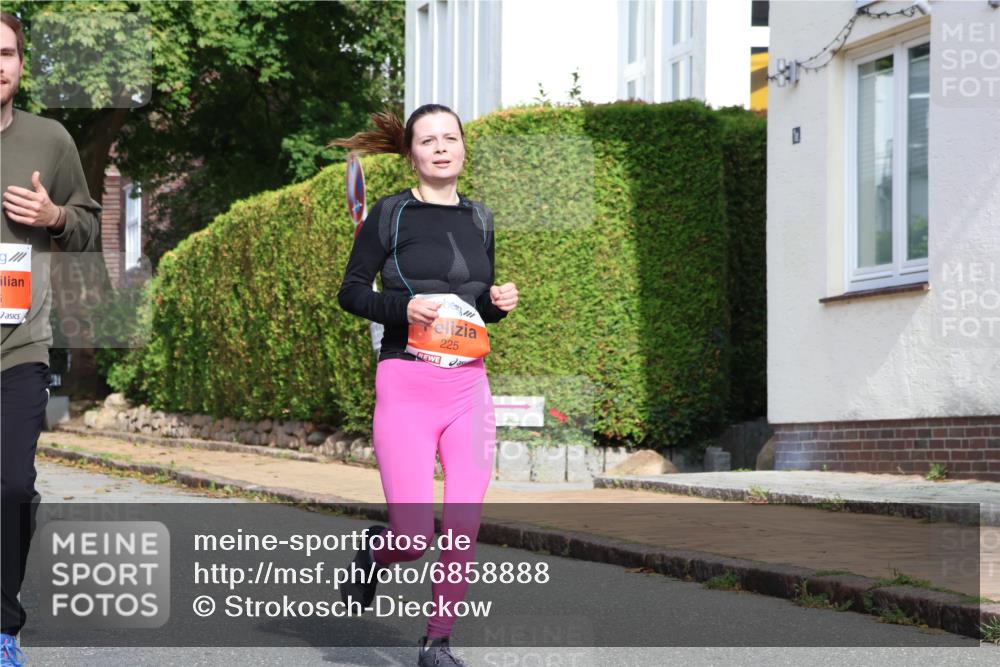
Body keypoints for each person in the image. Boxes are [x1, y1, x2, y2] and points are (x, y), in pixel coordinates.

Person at [334, 104, 518, 667]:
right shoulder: (389, 214)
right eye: (427, 140)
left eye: (450, 138)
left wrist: (497, 305)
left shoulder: (480, 218)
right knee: (412, 537)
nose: (440, 148)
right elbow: (350, 292)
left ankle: (437, 644)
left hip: (468, 387)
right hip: (406, 383)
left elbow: (473, 305)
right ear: (411, 153)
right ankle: (374, 553)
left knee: (463, 524)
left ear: (464, 148)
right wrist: (401, 306)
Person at [1, 11, 102, 666]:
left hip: (19, 349)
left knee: (10, 486)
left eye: (5, 52)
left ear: (19, 64)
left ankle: (3, 625)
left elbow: (91, 229)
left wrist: (57, 215)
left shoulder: (50, 140)